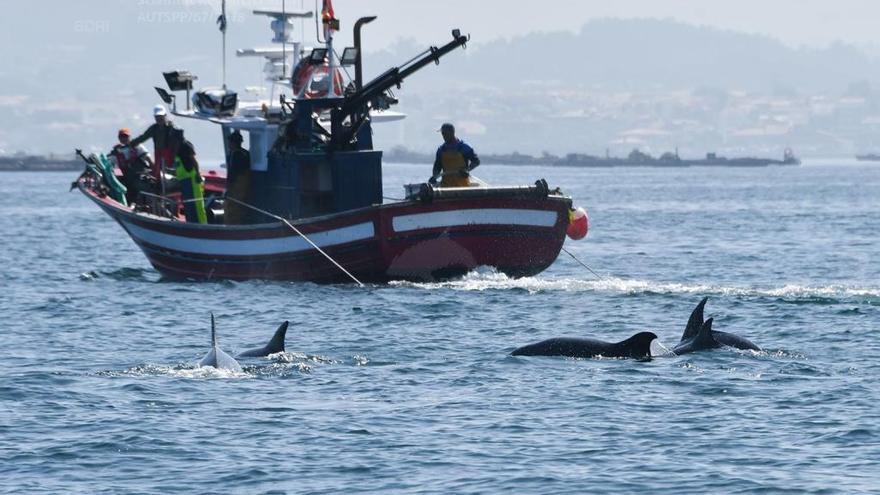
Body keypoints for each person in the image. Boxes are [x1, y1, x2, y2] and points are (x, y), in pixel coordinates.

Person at [130, 105, 181, 180]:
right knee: (158, 174)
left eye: (161, 116)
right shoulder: (154, 128)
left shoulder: (172, 127)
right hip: (159, 155)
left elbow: (179, 142)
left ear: (165, 115)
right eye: (157, 116)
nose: (159, 118)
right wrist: (131, 144)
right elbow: (143, 137)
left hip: (171, 155)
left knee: (172, 174)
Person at [110, 128, 154, 204]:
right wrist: (119, 178)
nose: (124, 138)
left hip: (140, 173)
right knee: (127, 189)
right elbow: (116, 166)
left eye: (126, 136)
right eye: (122, 137)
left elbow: (148, 158)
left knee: (145, 186)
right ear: (119, 138)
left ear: (129, 137)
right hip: (126, 176)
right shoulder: (116, 152)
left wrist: (153, 169)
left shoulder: (137, 146)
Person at [430, 122, 480, 187]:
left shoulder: (464, 147)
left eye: (445, 134)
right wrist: (434, 177)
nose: (443, 136)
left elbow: (476, 161)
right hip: (446, 186)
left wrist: (467, 170)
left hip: (462, 186)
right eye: (442, 134)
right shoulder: (441, 149)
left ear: (452, 133)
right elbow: (437, 167)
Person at [175, 140, 207, 224]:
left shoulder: (185, 145)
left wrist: (198, 174)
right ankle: (191, 224)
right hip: (183, 181)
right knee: (188, 206)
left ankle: (202, 226)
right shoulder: (174, 147)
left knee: (196, 205)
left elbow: (194, 160)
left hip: (191, 179)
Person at [224, 130, 251, 225]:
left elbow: (233, 173)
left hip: (237, 186)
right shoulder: (245, 153)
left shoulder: (236, 155)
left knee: (233, 207)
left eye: (230, 142)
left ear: (234, 143)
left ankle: (232, 226)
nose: (229, 144)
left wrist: (228, 188)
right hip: (244, 186)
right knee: (240, 207)